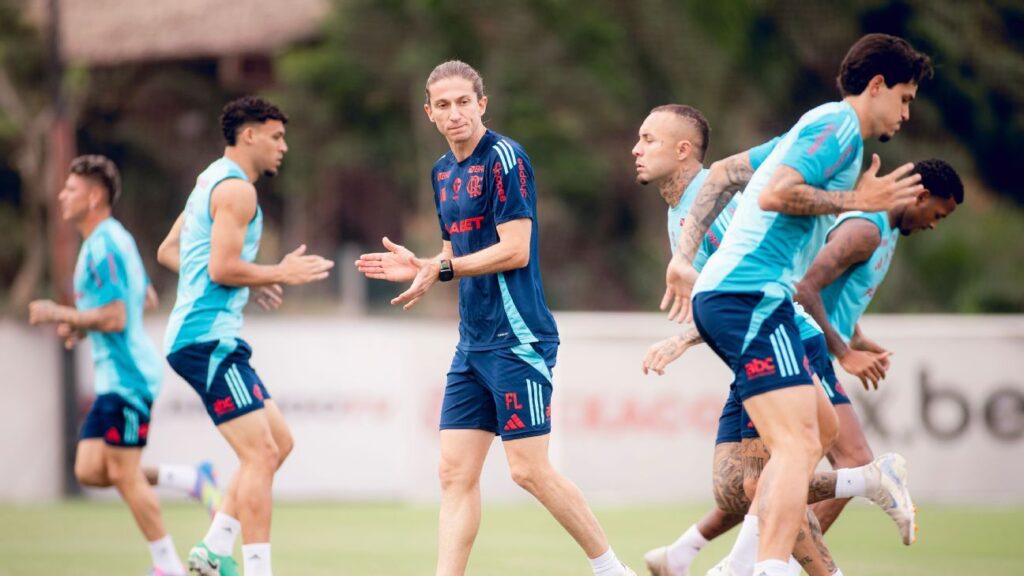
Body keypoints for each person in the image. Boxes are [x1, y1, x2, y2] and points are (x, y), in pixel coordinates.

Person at [657, 33, 932, 576]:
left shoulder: (817, 127)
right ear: (877, 85)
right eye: (904, 98)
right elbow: (775, 194)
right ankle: (769, 567)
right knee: (795, 445)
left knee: (821, 432)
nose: (905, 113)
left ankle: (866, 481)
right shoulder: (839, 127)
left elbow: (725, 172)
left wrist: (682, 257)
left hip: (750, 298)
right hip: (750, 296)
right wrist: (856, 200)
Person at [354, 60, 635, 576]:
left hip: (517, 336)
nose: (455, 113)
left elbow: (515, 249)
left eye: (464, 102)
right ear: (429, 113)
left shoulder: (506, 158)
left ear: (482, 104)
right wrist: (423, 265)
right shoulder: (441, 172)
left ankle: (613, 570)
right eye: (443, 105)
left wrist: (443, 269)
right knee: (453, 472)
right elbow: (453, 254)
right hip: (473, 342)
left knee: (528, 471)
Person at [157, 96, 334, 576]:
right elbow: (219, 267)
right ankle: (257, 569)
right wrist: (276, 272)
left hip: (205, 337)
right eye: (276, 137)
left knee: (279, 442)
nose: (283, 146)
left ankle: (214, 548)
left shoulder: (209, 179)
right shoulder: (237, 191)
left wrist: (246, 280)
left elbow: (172, 250)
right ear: (249, 135)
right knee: (261, 454)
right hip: (206, 339)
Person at [29, 155, 220, 576]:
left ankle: (167, 566)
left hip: (129, 376)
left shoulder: (105, 244)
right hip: (114, 377)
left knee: (122, 470)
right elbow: (143, 298)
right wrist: (82, 326)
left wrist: (62, 314)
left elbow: (117, 316)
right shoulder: (106, 241)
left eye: (71, 189)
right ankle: (192, 481)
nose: (62, 196)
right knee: (90, 469)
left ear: (94, 197)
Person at [795, 158, 964, 533]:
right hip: (800, 351)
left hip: (810, 350)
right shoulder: (865, 229)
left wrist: (854, 336)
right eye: (938, 214)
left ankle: (701, 553)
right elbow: (804, 289)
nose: (933, 225)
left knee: (762, 475)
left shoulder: (886, 229)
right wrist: (844, 353)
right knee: (853, 463)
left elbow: (836, 290)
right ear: (921, 196)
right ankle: (777, 558)